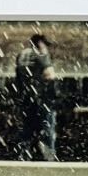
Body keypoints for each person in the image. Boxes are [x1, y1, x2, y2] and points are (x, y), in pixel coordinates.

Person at [14, 33, 58, 161]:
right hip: (41, 100)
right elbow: (50, 74)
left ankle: (24, 157)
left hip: (25, 100)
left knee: (26, 131)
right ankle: (49, 158)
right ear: (40, 44)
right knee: (47, 131)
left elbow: (18, 78)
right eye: (46, 45)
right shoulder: (41, 54)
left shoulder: (22, 55)